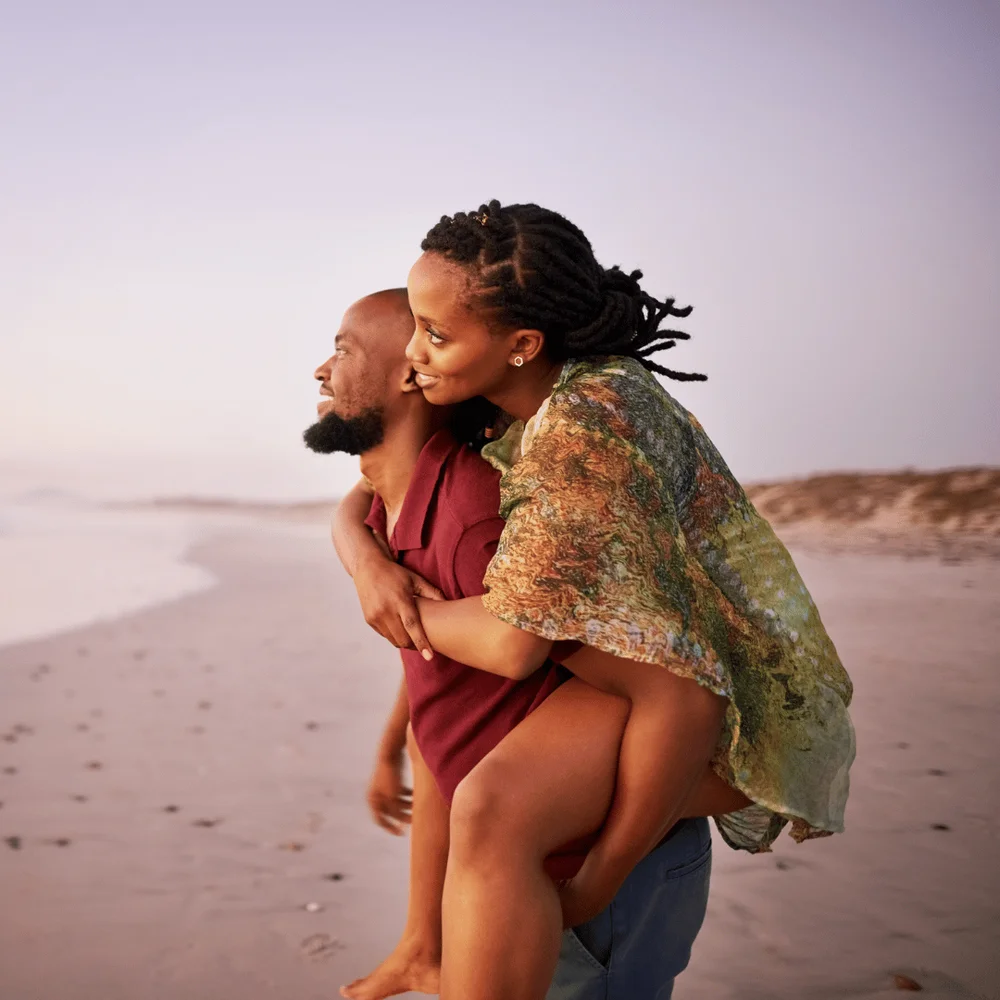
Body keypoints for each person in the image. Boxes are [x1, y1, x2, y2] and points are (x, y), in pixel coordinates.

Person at [335, 200, 856, 1000]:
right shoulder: (529, 402)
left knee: (494, 808)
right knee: (488, 806)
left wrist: (601, 877)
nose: (412, 356)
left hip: (730, 701)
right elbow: (368, 489)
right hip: (653, 693)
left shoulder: (585, 434)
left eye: (434, 335)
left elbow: (641, 681)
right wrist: (364, 556)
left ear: (522, 345)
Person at [306, 289, 748, 1000]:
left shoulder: (478, 514)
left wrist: (600, 874)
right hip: (523, 870)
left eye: (343, 349)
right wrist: (396, 734)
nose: (321, 372)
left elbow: (666, 682)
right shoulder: (394, 501)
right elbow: (439, 665)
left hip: (589, 880)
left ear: (410, 375)